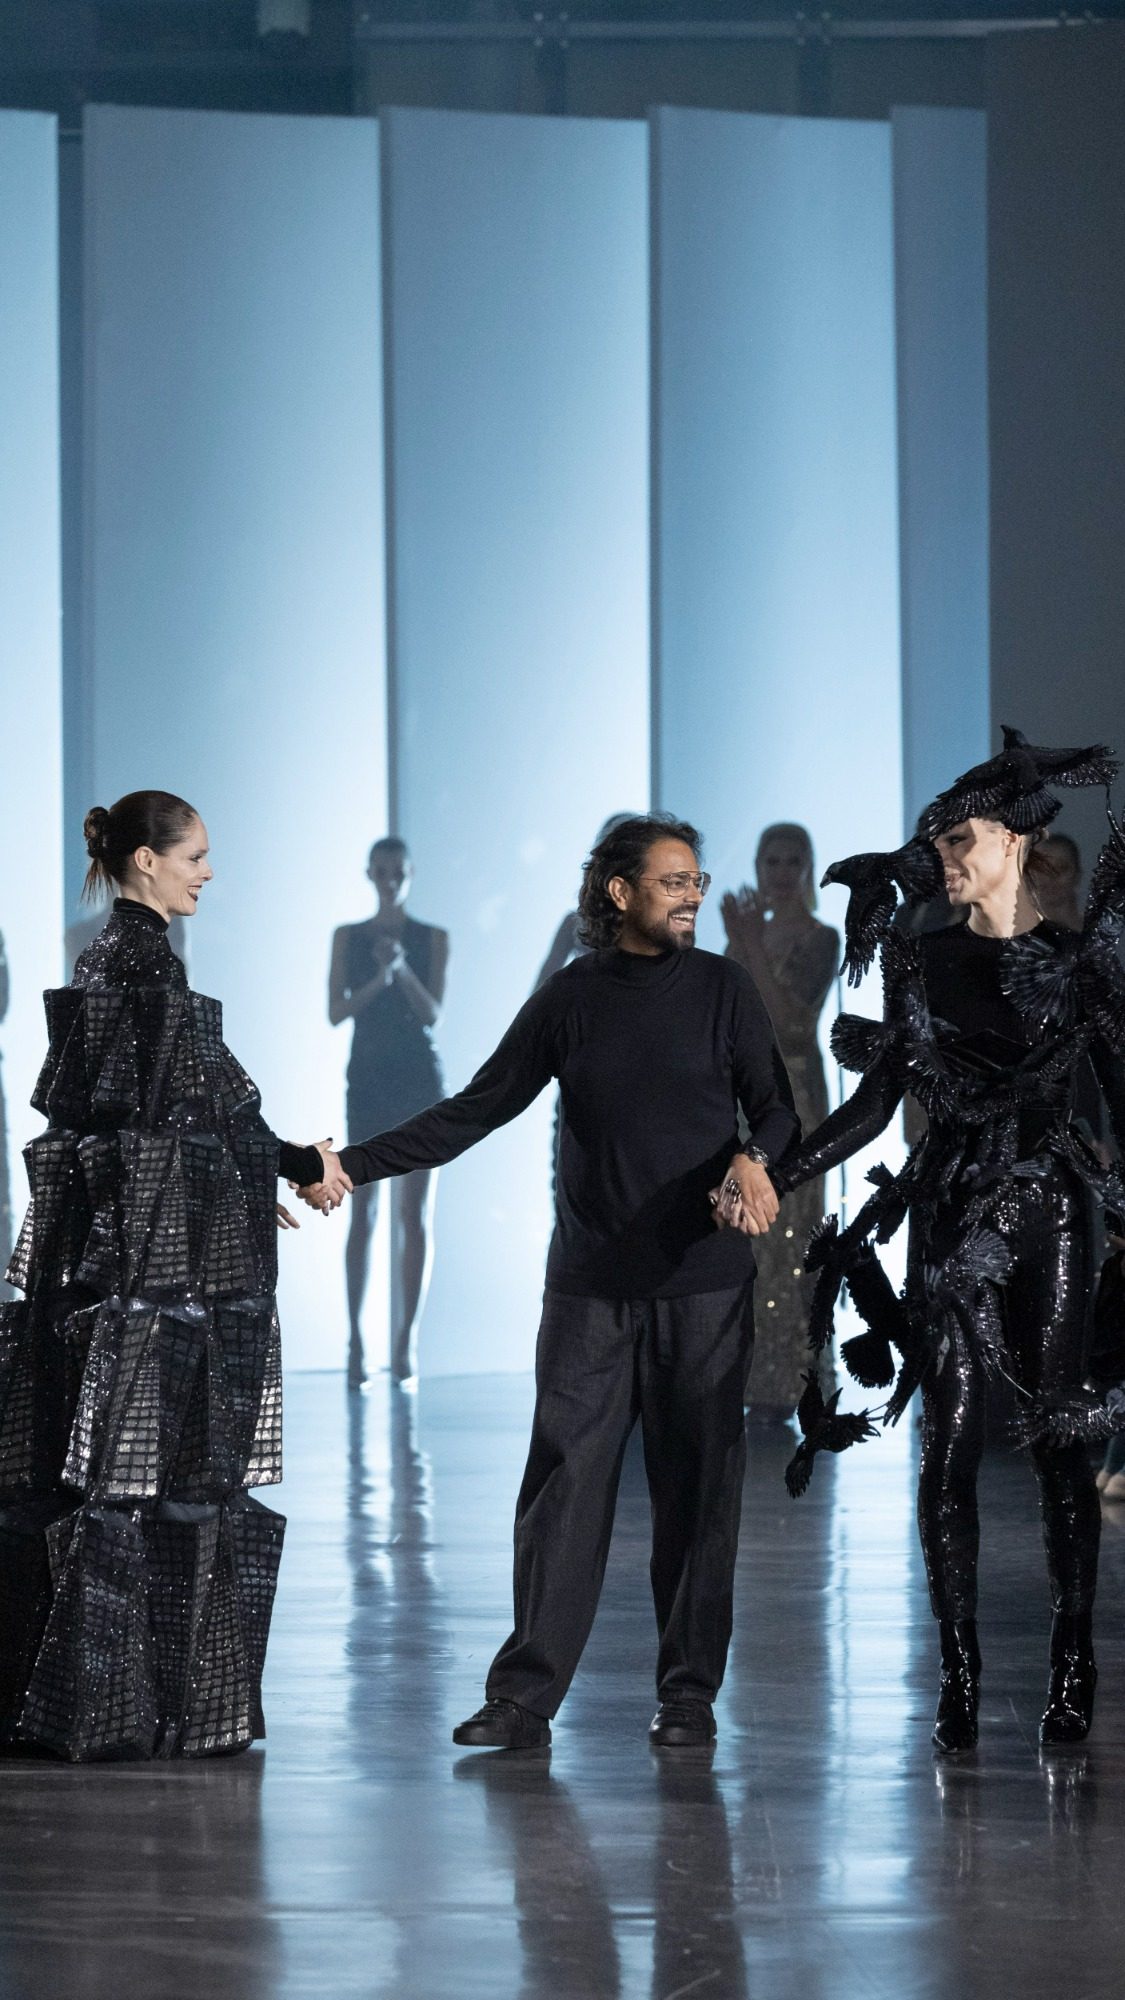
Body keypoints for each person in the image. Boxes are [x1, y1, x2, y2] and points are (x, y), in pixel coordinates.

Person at [301, 814, 799, 1749]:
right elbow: (475, 1109)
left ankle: (686, 1696)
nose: (692, 897)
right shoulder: (572, 1000)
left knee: (698, 1497)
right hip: (589, 1291)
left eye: (696, 882)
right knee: (563, 1490)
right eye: (672, 882)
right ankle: (523, 1700)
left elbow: (775, 1110)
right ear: (619, 893)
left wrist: (756, 1160)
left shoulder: (723, 990)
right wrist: (352, 1166)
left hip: (702, 1285)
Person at [739, 729, 1125, 1754]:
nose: (943, 859)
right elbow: (875, 1104)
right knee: (947, 1444)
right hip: (953, 1214)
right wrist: (774, 1170)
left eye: (959, 840)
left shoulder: (1078, 969)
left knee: (1057, 1447)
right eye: (934, 844)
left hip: (1054, 1218)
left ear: (1009, 838)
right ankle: (957, 1672)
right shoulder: (922, 957)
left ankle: (1072, 1663)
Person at [0, 790, 347, 1760]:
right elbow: (207, 1116)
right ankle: (127, 1702)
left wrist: (232, 1195)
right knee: (146, 1477)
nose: (205, 871)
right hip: (135, 1283)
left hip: (113, 1264)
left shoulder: (107, 958)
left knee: (104, 1472)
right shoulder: (142, 966)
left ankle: (89, 1697)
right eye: (194, 854)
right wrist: (296, 1165)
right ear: (145, 861)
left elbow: (154, 1127)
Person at [721, 825, 839, 1417]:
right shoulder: (744, 936)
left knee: (792, 1233)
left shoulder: (823, 939)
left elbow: (792, 1023)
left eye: (795, 861)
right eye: (772, 861)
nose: (782, 873)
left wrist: (747, 942)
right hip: (742, 1096)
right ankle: (738, 1379)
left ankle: (791, 1381)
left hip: (797, 1098)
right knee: (740, 1237)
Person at [329, 838, 448, 1389]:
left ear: (410, 873)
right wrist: (379, 977)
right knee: (364, 1212)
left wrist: (399, 968)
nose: (389, 879)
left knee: (414, 1215)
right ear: (369, 873)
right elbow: (335, 1011)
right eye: (381, 871)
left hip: (419, 1084)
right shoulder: (349, 939)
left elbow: (433, 1014)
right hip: (369, 1083)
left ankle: (406, 1347)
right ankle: (357, 1341)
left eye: (397, 871)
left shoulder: (431, 938)